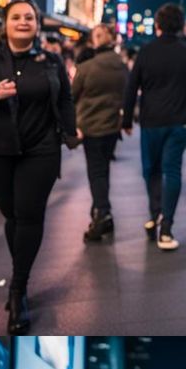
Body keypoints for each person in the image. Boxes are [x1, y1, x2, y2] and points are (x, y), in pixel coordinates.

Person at [0, 0, 77, 334]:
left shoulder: (51, 61)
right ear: (6, 24)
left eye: (29, 17)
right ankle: (19, 273)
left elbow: (65, 98)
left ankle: (18, 289)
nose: (23, 22)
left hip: (41, 150)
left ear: (37, 24)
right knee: (13, 216)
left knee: (28, 215)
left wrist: (70, 130)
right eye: (16, 18)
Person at [123, 3, 186, 251]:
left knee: (151, 170)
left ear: (157, 24)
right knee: (172, 171)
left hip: (151, 120)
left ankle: (156, 212)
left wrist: (125, 120)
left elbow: (132, 86)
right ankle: (166, 226)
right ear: (179, 25)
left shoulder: (146, 51)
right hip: (179, 120)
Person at [71, 21, 128, 242]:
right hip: (112, 125)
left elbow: (72, 95)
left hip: (91, 126)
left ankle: (101, 213)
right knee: (104, 169)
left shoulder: (87, 67)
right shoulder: (120, 64)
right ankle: (104, 211)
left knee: (96, 172)